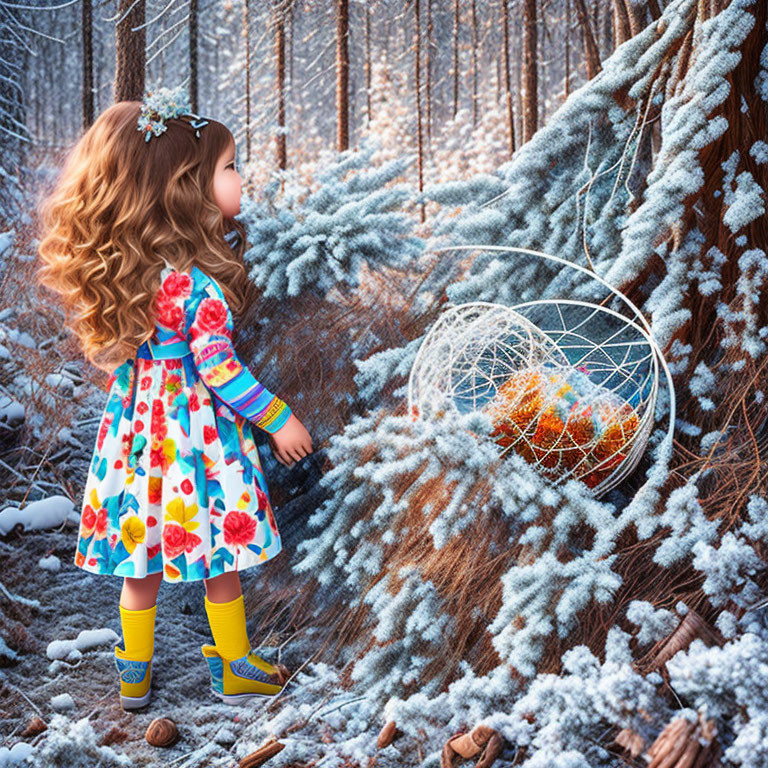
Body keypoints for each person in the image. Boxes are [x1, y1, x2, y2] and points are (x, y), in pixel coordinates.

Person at [36, 87, 313, 710]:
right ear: (187, 186)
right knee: (220, 551)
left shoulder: (132, 280)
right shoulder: (198, 288)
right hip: (195, 438)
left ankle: (133, 673)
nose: (240, 178)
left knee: (141, 559)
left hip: (137, 438)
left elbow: (122, 362)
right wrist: (280, 419)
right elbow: (221, 373)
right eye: (230, 167)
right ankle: (235, 664)